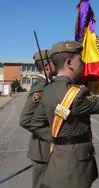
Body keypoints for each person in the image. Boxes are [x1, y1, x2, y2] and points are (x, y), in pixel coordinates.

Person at [29, 40, 99, 188]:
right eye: (80, 59)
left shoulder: (47, 90)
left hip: (57, 158)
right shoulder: (76, 94)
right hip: (75, 166)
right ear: (69, 63)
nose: (84, 62)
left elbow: (35, 123)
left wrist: (59, 139)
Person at [20, 49, 57, 188]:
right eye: (54, 62)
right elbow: (25, 120)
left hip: (50, 149)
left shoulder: (50, 85)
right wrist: (52, 135)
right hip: (42, 149)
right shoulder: (40, 88)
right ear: (47, 66)